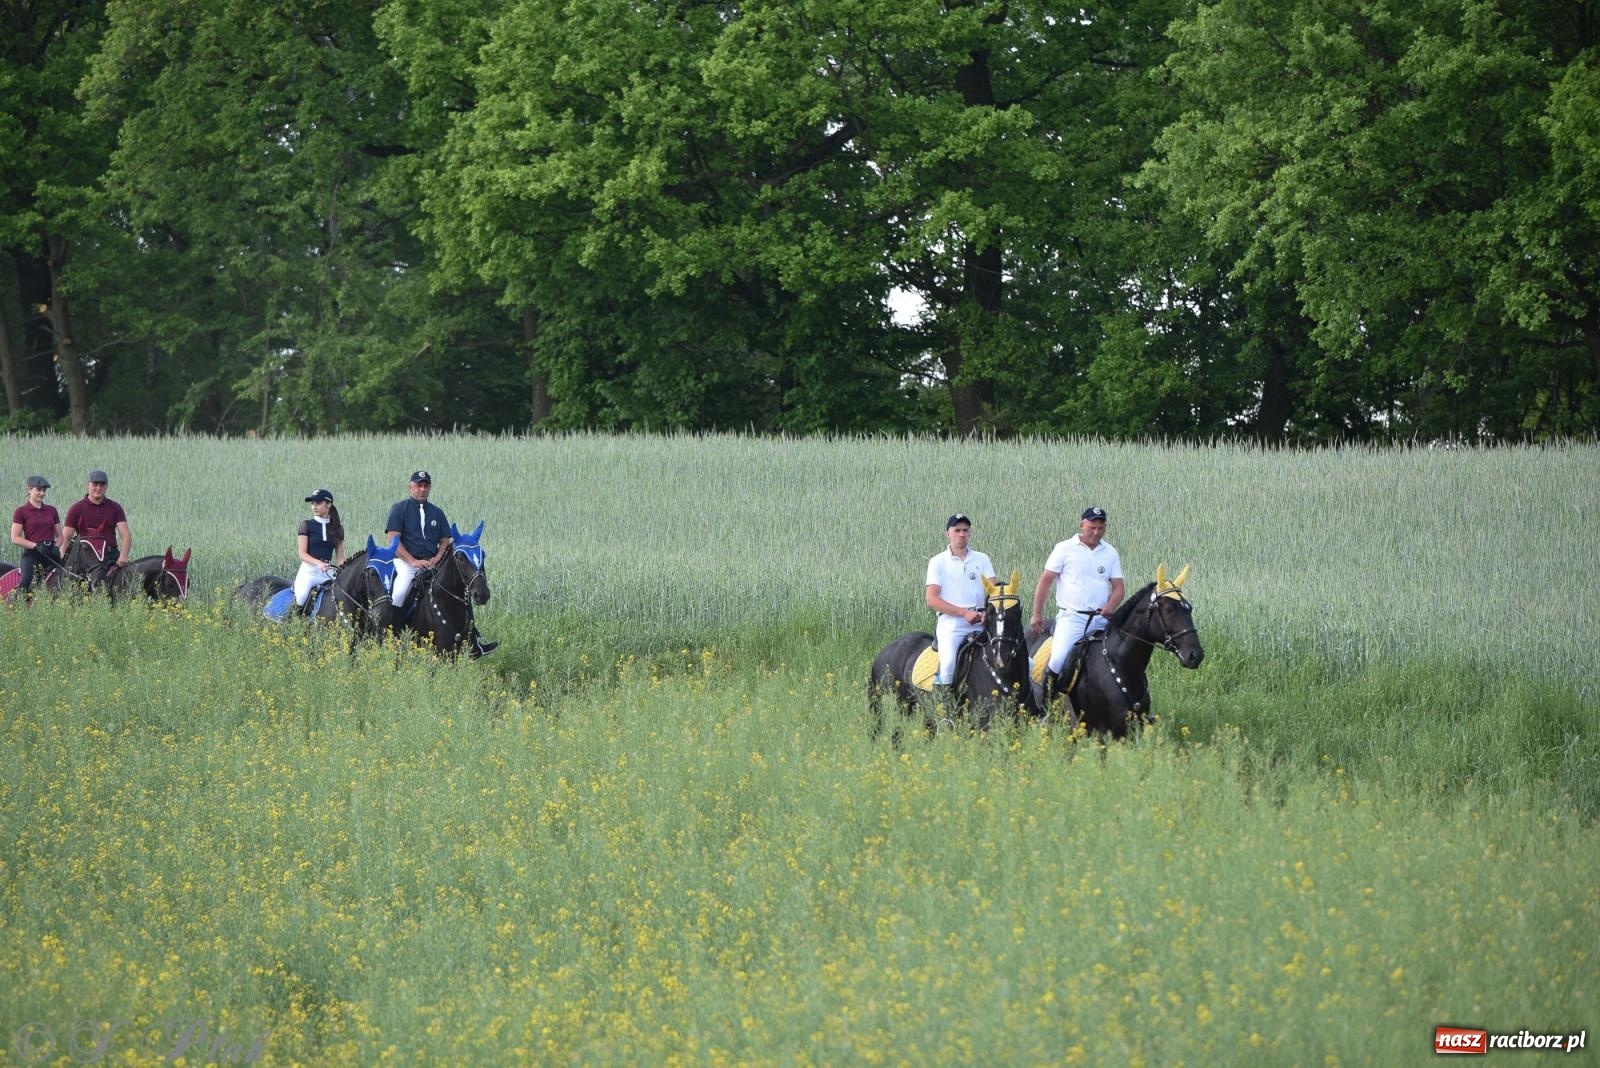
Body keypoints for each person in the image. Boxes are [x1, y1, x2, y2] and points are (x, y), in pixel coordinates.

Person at [385, 469, 496, 656]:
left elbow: (445, 539)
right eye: (418, 485)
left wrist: (437, 557)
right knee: (400, 591)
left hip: (432, 562)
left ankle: (473, 640)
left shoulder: (437, 512)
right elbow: (393, 540)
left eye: (425, 485)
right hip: (406, 563)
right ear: (410, 486)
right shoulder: (399, 509)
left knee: (461, 590)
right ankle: (392, 637)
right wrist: (412, 561)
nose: (422, 489)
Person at [1030, 506, 1126, 677]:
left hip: (1101, 619)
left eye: (1101, 528)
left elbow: (1119, 587)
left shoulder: (1110, 552)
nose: (1096, 532)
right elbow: (1045, 582)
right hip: (1073, 619)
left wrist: (1110, 606)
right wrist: (1037, 613)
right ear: (1082, 524)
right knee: (1058, 660)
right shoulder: (1064, 548)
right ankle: (1047, 699)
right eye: (1092, 528)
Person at [925, 512, 998, 698]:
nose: (962, 534)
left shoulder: (982, 559)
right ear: (947, 533)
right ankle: (944, 711)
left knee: (1021, 660)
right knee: (948, 665)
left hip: (982, 621)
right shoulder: (938, 562)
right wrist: (963, 613)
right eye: (957, 530)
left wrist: (988, 614)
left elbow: (993, 590)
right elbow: (932, 599)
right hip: (952, 623)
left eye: (965, 530)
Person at [61, 469, 132, 574]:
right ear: (88, 485)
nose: (98, 488)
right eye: (95, 484)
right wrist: (62, 557)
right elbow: (66, 537)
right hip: (85, 557)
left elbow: (125, 535)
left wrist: (123, 556)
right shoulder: (76, 509)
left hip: (109, 556)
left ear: (106, 487)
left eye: (102, 485)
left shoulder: (115, 508)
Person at [293, 489, 346, 610]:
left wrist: (348, 570)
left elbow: (340, 558)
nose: (314, 506)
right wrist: (318, 563)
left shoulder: (338, 529)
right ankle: (292, 624)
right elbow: (302, 554)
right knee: (300, 597)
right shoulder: (306, 525)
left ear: (328, 504)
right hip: (309, 572)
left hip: (328, 573)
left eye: (318, 503)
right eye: (312, 503)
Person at [10, 475, 63, 596]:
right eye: (38, 490)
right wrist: (36, 546)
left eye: (44, 490)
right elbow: (15, 538)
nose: (42, 493)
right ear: (29, 490)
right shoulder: (21, 511)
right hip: (32, 555)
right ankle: (14, 606)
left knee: (68, 579)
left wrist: (56, 546)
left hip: (51, 554)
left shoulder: (52, 510)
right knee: (26, 581)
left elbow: (60, 536)